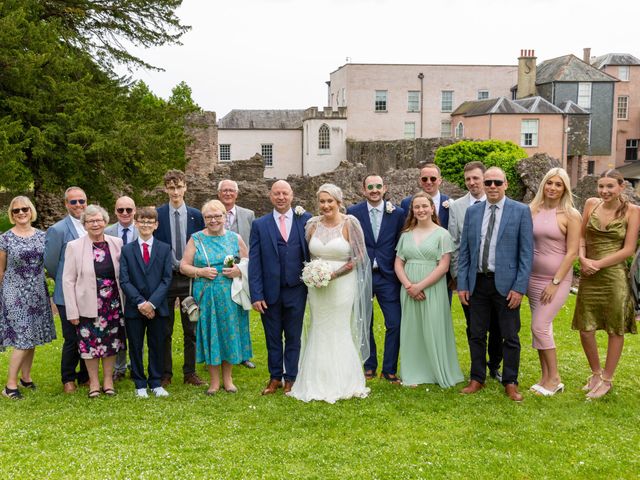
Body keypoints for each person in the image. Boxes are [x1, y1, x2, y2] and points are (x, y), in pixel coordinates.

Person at [289, 184, 372, 403]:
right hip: (316, 286)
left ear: (338, 202)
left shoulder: (350, 223)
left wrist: (333, 275)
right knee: (319, 326)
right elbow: (306, 253)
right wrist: (313, 273)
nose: (326, 206)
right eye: (322, 201)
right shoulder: (312, 225)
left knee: (338, 327)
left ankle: (344, 380)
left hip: (342, 284)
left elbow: (360, 256)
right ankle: (316, 379)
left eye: (330, 201)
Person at [457, 167, 533, 402]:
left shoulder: (520, 211)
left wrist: (519, 287)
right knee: (476, 334)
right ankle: (477, 378)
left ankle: (510, 381)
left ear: (506, 184)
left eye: (496, 182)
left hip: (507, 285)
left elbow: (526, 253)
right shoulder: (473, 212)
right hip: (477, 283)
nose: (491, 186)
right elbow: (465, 251)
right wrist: (462, 284)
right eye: (488, 182)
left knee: (510, 336)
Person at [572, 169, 639, 399]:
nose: (604, 191)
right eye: (601, 186)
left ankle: (607, 379)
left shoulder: (633, 211)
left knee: (614, 327)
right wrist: (582, 258)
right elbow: (581, 236)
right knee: (585, 327)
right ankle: (596, 373)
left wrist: (598, 264)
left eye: (610, 186)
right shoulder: (591, 204)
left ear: (622, 186)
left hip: (613, 276)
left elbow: (629, 250)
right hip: (589, 273)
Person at [180, 199, 252, 395]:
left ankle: (228, 380)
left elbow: (248, 262)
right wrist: (200, 272)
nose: (213, 220)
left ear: (224, 217)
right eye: (208, 217)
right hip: (207, 294)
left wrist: (238, 270)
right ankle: (214, 381)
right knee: (211, 333)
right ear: (204, 219)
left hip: (230, 294)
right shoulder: (196, 238)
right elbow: (183, 266)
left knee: (228, 332)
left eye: (217, 216)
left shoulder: (234, 238)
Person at [394, 192, 464, 388]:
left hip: (432, 288)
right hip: (408, 289)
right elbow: (398, 264)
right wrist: (409, 286)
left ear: (432, 208)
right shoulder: (406, 234)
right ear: (413, 210)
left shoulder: (442, 234)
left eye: (425, 206)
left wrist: (419, 286)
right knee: (412, 329)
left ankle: (436, 370)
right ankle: (414, 371)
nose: (421, 210)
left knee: (433, 327)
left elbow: (443, 267)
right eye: (417, 207)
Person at [249, 180, 312, 395]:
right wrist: (256, 294)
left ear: (292, 196)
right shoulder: (260, 225)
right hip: (269, 292)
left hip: (297, 289)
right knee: (273, 337)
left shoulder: (306, 219)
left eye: (285, 193)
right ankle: (275, 377)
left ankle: (291, 378)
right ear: (270, 196)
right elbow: (255, 261)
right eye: (277, 193)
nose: (281, 197)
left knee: (293, 336)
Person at [62, 205, 126, 398]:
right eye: (91, 221)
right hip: (87, 304)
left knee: (110, 343)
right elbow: (68, 280)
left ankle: (108, 381)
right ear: (85, 224)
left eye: (98, 220)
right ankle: (94, 383)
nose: (95, 224)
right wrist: (72, 311)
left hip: (113, 304)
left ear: (105, 222)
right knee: (89, 345)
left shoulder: (117, 242)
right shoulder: (74, 246)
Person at [527, 168, 581, 396]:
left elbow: (572, 253)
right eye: (549, 183)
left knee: (539, 326)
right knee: (541, 329)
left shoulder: (571, 215)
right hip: (532, 278)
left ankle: (555, 378)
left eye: (559, 184)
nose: (553, 188)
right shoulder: (532, 210)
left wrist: (555, 282)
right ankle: (545, 377)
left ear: (565, 188)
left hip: (556, 279)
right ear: (543, 185)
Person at [347, 174, 405, 383]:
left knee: (395, 323)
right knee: (365, 321)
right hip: (363, 274)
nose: (374, 190)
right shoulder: (353, 213)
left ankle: (389, 369)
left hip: (388, 276)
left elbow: (401, 240)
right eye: (370, 186)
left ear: (385, 188)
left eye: (378, 186)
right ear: (364, 190)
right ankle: (369, 365)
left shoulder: (397, 213)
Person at [448, 161, 503, 382]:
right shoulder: (458, 207)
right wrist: (458, 279)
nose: (472, 183)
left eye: (476, 178)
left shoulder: (504, 205)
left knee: (498, 326)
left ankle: (495, 364)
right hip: (470, 280)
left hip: (497, 277)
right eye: (468, 179)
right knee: (475, 327)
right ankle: (476, 371)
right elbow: (455, 244)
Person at [0, 197, 56, 400]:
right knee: (23, 337)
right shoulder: (5, 238)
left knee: (32, 336)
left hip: (37, 292)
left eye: (24, 209)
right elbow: (0, 269)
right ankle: (10, 386)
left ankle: (26, 377)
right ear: (12, 214)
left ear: (31, 211)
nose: (21, 213)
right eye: (16, 211)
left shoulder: (43, 236)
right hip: (14, 293)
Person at [154, 169, 206, 387]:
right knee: (165, 328)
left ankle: (190, 372)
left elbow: (202, 246)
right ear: (166, 189)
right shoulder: (158, 214)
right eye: (171, 187)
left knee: (190, 327)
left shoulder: (196, 215)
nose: (175, 191)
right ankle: (165, 373)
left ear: (185, 187)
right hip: (166, 278)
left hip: (189, 279)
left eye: (179, 186)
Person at [119, 207, 173, 398]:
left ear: (156, 225)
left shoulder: (165, 248)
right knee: (135, 345)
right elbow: (124, 280)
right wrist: (141, 303)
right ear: (136, 223)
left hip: (158, 307)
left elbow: (167, 279)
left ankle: (156, 382)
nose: (146, 225)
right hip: (135, 308)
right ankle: (139, 383)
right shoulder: (127, 250)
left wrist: (152, 303)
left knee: (157, 344)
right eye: (142, 221)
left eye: (150, 222)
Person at [44, 186, 90, 393]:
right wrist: (65, 281)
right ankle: (68, 378)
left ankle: (86, 376)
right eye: (74, 202)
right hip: (67, 294)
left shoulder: (92, 225)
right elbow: (51, 263)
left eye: (82, 201)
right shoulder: (58, 229)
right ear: (66, 204)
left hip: (88, 293)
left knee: (88, 334)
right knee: (72, 337)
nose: (78, 205)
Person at [217, 178, 256, 369]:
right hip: (218, 273)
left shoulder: (248, 214)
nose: (228, 193)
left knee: (241, 312)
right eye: (224, 190)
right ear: (218, 194)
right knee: (221, 317)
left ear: (237, 194)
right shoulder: (211, 213)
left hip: (241, 270)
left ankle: (243, 354)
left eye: (231, 190)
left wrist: (241, 269)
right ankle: (222, 353)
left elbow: (252, 243)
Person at [105, 195, 139, 381]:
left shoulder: (142, 229)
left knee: (136, 328)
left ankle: (136, 365)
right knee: (117, 328)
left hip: (137, 286)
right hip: (114, 287)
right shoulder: (108, 231)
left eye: (128, 210)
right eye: (120, 210)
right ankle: (119, 368)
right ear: (115, 211)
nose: (125, 213)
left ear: (134, 210)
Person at [401, 163, 450, 229]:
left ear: (440, 180)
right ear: (420, 181)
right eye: (424, 179)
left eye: (433, 179)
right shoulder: (406, 203)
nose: (429, 182)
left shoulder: (450, 203)